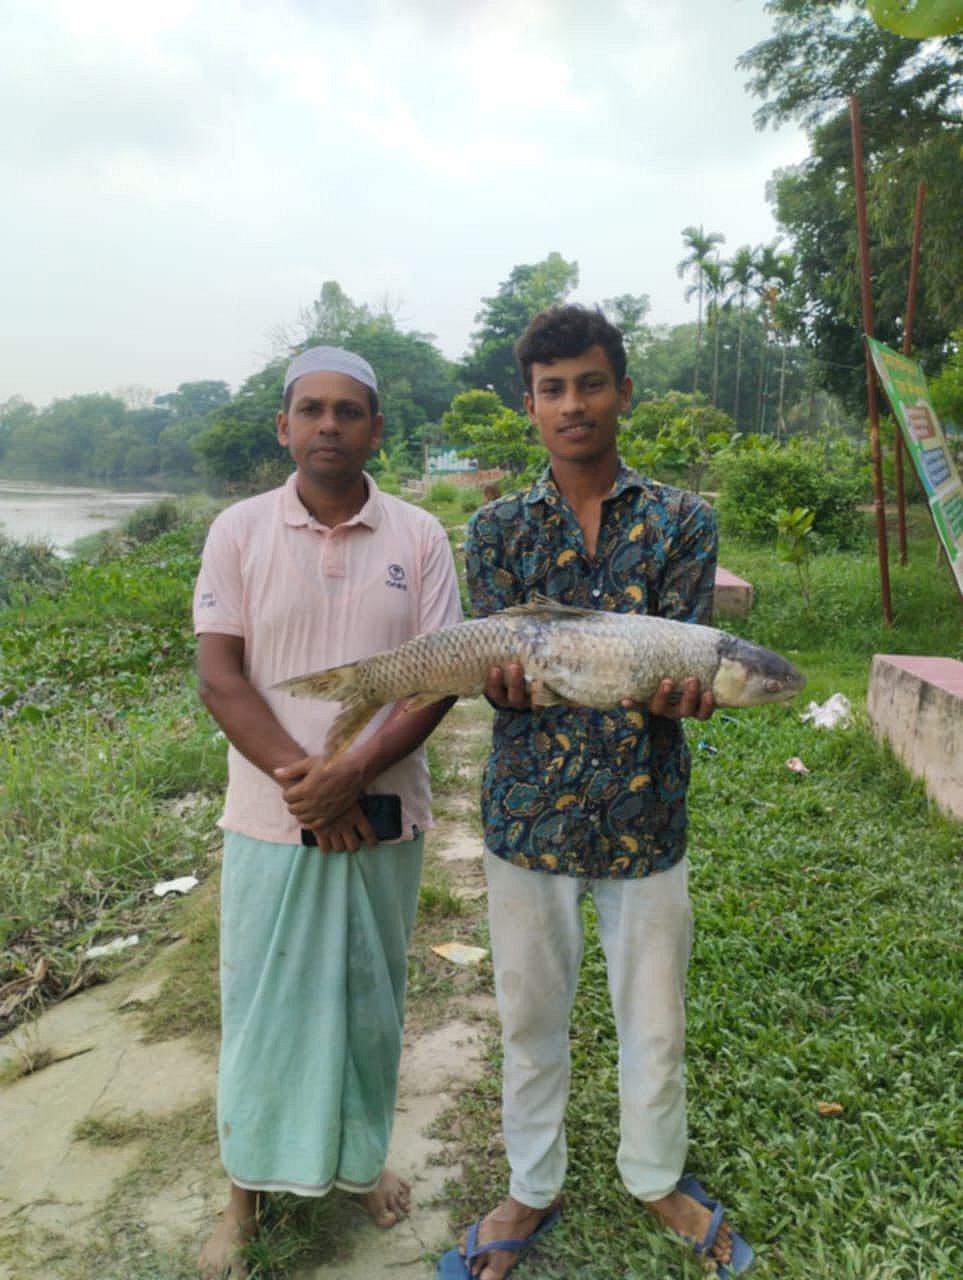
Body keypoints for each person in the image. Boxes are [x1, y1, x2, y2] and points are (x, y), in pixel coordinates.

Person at [438, 306, 753, 1279]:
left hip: (643, 810)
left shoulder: (683, 521)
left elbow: (689, 665)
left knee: (654, 1014)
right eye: (553, 387)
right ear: (530, 402)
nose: (572, 403)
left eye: (589, 382)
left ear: (622, 389)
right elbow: (496, 657)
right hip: (526, 812)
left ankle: (655, 1173)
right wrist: (490, 676)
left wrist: (692, 697)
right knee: (532, 1015)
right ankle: (530, 1185)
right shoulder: (494, 529)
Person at [193, 345, 462, 1279]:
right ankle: (244, 1195)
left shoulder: (420, 537)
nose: (328, 426)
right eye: (310, 410)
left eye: (349, 411)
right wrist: (304, 780)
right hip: (271, 815)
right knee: (262, 1006)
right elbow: (219, 674)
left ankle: (358, 1165)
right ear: (283, 426)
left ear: (376, 429)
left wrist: (353, 773)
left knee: (367, 1000)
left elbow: (439, 682)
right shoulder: (237, 530)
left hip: (383, 811)